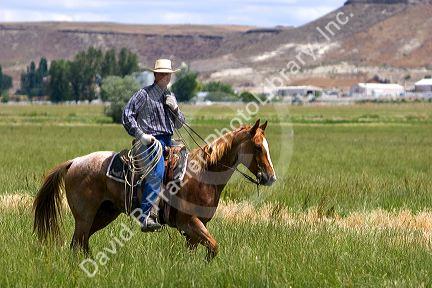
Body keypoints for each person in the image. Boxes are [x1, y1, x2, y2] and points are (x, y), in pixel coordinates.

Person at [122, 59, 185, 232]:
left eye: (168, 74)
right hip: (149, 142)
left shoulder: (170, 96)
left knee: (188, 167)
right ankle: (146, 215)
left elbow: (180, 124)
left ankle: (179, 212)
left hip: (168, 141)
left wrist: (176, 109)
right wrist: (141, 135)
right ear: (155, 75)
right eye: (163, 73)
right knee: (157, 171)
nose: (166, 77)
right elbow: (127, 115)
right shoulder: (143, 94)